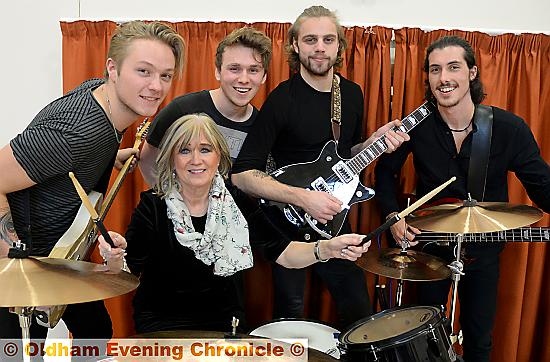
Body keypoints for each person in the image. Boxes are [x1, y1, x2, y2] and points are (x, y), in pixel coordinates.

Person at [0, 20, 184, 351]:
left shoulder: (99, 97)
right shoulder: (75, 133)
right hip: (23, 268)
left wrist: (109, 156)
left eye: (165, 75)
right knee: (22, 352)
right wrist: (13, 260)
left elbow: (67, 157)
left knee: (95, 331)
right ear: (112, 69)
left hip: (61, 253)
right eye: (143, 71)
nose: (156, 86)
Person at [99, 113, 371, 334]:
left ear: (219, 157)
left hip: (225, 326)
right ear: (172, 158)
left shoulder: (237, 202)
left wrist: (327, 248)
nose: (196, 160)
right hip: (162, 328)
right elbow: (126, 272)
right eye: (185, 151)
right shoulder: (153, 205)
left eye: (205, 150)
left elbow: (284, 253)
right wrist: (114, 255)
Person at [230, 5, 409, 329]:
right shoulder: (282, 99)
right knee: (290, 314)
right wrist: (302, 198)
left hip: (334, 221)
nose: (320, 47)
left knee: (358, 310)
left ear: (339, 46)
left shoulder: (351, 94)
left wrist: (374, 142)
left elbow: (345, 155)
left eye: (328, 39)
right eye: (310, 39)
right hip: (288, 223)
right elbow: (243, 173)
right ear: (296, 45)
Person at [374, 35, 550, 361]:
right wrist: (393, 216)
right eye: (435, 70)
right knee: (423, 339)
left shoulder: (508, 129)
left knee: (479, 341)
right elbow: (384, 175)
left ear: (472, 72)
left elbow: (542, 185)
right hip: (429, 249)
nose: (444, 78)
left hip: (483, 250)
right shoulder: (417, 127)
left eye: (453, 67)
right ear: (427, 77)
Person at [140, 26, 272, 186]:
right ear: (218, 71)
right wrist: (172, 203)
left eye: (253, 70)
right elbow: (148, 161)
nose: (244, 79)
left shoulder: (263, 127)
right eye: (234, 69)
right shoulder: (181, 109)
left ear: (264, 76)